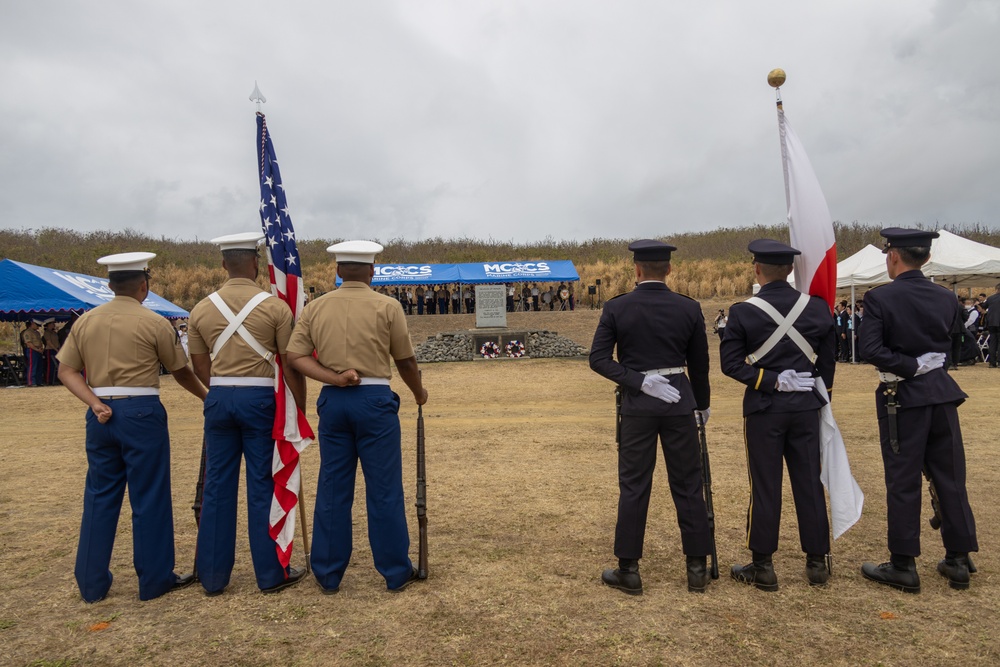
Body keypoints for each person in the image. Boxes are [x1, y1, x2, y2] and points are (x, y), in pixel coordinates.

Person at [56, 251, 205, 603]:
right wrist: (206, 396)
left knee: (99, 496)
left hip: (100, 412)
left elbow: (66, 371)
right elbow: (181, 371)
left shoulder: (85, 321)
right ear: (144, 285)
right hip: (141, 411)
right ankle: (154, 580)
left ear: (109, 285)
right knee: (149, 496)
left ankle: (91, 584)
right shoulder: (154, 322)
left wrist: (93, 402)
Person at [287, 240, 428, 593]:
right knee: (384, 490)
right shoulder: (387, 306)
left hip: (334, 401)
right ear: (372, 270)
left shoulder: (315, 308)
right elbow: (405, 360)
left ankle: (328, 573)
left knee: (333, 488)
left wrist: (333, 378)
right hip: (375, 399)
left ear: (336, 271)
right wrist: (418, 392)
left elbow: (295, 356)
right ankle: (396, 571)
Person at [186, 232, 308, 596]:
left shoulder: (201, 309)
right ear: (256, 263)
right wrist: (298, 407)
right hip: (260, 400)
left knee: (217, 488)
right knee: (263, 487)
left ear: (223, 265)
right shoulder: (275, 308)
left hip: (220, 398)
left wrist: (222, 388)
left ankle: (211, 576)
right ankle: (271, 574)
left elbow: (198, 365)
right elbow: (289, 363)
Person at [589, 239, 713, 595]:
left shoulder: (617, 308)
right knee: (688, 484)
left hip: (639, 406)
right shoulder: (688, 308)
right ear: (669, 269)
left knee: (634, 486)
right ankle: (696, 567)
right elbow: (700, 365)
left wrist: (639, 382)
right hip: (678, 401)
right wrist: (701, 405)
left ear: (637, 270)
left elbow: (599, 359)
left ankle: (629, 569)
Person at [859, 228, 978, 593]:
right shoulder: (945, 297)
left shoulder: (881, 298)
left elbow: (870, 349)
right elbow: (961, 344)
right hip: (942, 394)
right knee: (950, 477)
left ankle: (903, 563)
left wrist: (910, 366)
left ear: (893, 255)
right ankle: (958, 559)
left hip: (903, 396)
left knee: (903, 478)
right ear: (926, 258)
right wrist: (930, 365)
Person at [719, 240, 835, 591]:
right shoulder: (818, 309)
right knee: (809, 485)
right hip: (805, 408)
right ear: (790, 270)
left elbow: (730, 365)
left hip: (764, 409)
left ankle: (763, 566)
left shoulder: (742, 312)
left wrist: (768, 381)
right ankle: (817, 563)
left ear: (757, 269)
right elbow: (828, 361)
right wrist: (815, 392)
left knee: (765, 485)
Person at [22, 319, 45, 387]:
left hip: (38, 350)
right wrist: (37, 349)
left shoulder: (37, 333)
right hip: (32, 350)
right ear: (33, 324)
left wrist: (41, 348)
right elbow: (28, 343)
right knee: (33, 366)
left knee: (39, 366)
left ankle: (38, 381)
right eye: (37, 325)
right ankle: (31, 382)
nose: (38, 327)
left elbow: (40, 342)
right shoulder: (27, 332)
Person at [985, 284, 1000, 367]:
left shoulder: (990, 298)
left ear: (996, 289)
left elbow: (982, 307)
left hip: (991, 323)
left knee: (993, 342)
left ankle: (992, 362)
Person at [43, 319, 60, 385]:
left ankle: (55, 379)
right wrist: (56, 349)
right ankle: (48, 380)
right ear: (49, 324)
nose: (54, 325)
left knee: (56, 365)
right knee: (50, 366)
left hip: (56, 349)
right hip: (50, 350)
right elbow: (49, 342)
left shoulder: (54, 332)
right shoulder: (47, 332)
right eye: (53, 323)